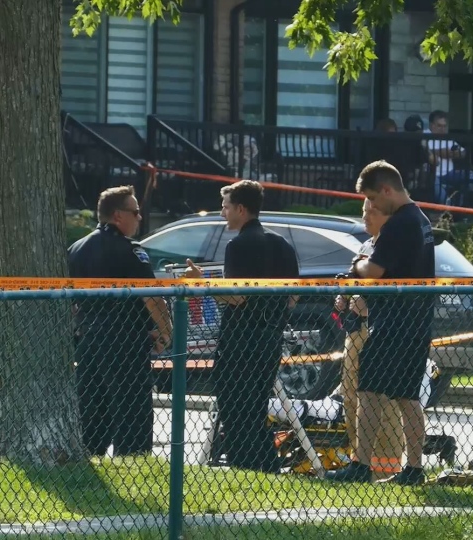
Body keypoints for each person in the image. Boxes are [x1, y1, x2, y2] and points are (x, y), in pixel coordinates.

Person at [325, 160, 436, 486]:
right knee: (407, 397)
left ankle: (361, 466)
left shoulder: (399, 223)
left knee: (369, 392)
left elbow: (373, 271)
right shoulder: (420, 219)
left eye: (373, 198)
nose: (371, 206)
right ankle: (413, 469)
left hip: (393, 322)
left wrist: (356, 265)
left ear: (387, 190)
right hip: (417, 321)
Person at [183, 179, 300, 473]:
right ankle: (267, 468)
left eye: (225, 207)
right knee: (256, 408)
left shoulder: (238, 245)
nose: (222, 213)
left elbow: (236, 296)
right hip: (270, 337)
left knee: (235, 409)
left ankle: (245, 468)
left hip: (240, 339)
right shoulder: (282, 244)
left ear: (241, 209)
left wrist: (201, 283)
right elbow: (293, 296)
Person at [68, 185, 173, 457]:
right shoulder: (130, 251)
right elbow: (152, 298)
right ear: (118, 215)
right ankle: (133, 464)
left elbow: (72, 303)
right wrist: (166, 332)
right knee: (132, 412)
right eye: (135, 212)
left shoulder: (76, 249)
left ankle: (91, 461)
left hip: (88, 341)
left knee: (93, 410)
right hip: (125, 341)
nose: (140, 217)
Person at [334, 198, 406, 478]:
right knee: (350, 396)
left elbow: (391, 288)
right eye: (363, 211)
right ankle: (359, 462)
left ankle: (385, 467)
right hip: (355, 330)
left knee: (382, 402)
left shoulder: (390, 247)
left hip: (377, 330)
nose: (364, 217)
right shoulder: (366, 246)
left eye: (370, 212)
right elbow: (357, 278)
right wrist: (345, 295)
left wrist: (368, 302)